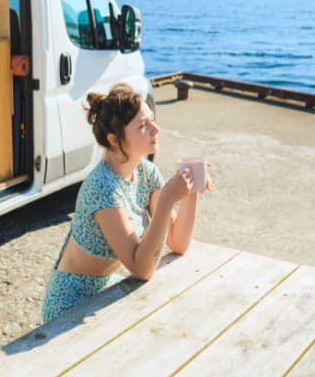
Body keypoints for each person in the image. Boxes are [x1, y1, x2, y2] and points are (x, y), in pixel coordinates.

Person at [42, 83, 211, 323]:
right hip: (71, 301)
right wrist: (166, 202)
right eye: (143, 126)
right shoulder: (103, 187)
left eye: (152, 119)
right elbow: (141, 269)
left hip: (106, 289)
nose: (156, 129)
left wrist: (192, 190)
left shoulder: (146, 172)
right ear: (114, 140)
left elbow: (178, 242)